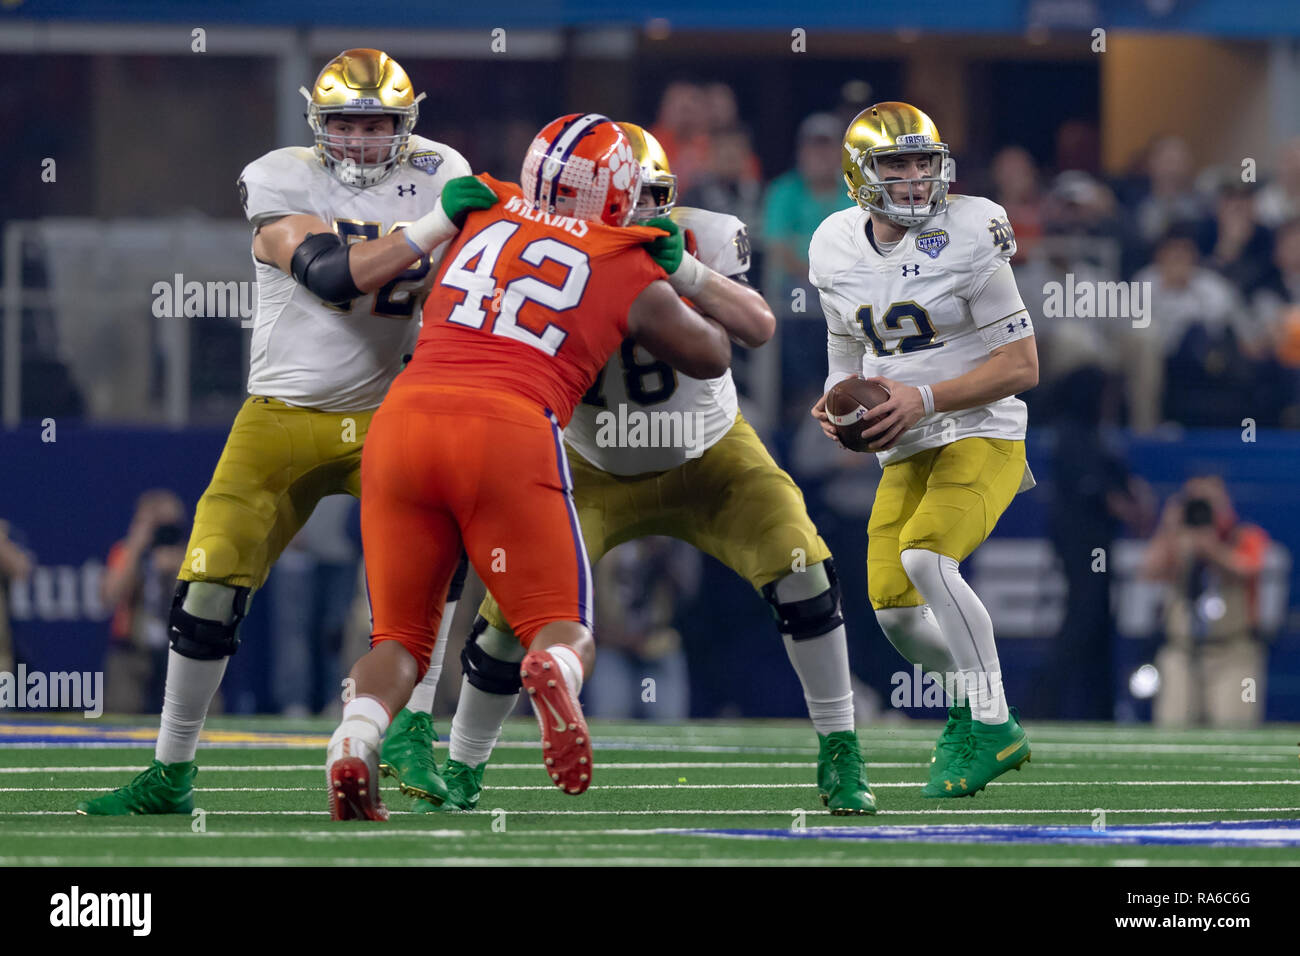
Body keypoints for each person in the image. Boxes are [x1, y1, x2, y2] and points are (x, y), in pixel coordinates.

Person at [382, 123, 875, 817]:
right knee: (504, 620)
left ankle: (841, 751)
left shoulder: (697, 232)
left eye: (652, 198)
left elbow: (756, 326)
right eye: (625, 196)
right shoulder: (547, 244)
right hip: (593, 465)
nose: (638, 211)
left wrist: (688, 270)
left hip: (710, 452)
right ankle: (463, 766)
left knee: (804, 572)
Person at [77, 48, 478, 815]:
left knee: (440, 554)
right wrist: (440, 222)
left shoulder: (439, 168)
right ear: (317, 125)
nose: (361, 140)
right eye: (347, 124)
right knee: (208, 585)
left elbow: (459, 282)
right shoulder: (282, 175)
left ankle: (412, 729)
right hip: (282, 415)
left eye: (377, 124)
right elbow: (333, 277)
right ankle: (171, 771)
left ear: (406, 123)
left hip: (392, 413)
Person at [809, 102, 1039, 798]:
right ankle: (975, 705)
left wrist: (928, 398)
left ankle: (994, 725)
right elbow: (846, 340)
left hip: (983, 428)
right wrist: (835, 396)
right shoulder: (833, 244)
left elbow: (1023, 364)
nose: (913, 178)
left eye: (922, 162)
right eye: (895, 164)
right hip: (906, 444)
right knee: (894, 611)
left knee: (925, 555)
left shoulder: (970, 231)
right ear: (860, 175)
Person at [1140, 477, 1270, 727]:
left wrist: (1210, 547)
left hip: (1232, 652)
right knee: (1173, 729)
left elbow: (1246, 569)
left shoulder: (1245, 537)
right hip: (1182, 651)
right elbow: (1149, 571)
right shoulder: (1176, 540)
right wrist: (1169, 528)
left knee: (1233, 728)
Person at [101, 490, 189, 713]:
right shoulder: (127, 552)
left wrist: (179, 569)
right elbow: (110, 595)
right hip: (132, 651)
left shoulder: (191, 554)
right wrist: (136, 547)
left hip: (180, 650)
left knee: (192, 715)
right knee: (120, 712)